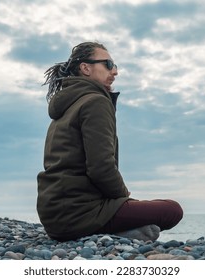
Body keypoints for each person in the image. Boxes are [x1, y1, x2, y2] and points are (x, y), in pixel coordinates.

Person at [37, 41, 183, 242]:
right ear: (86, 68)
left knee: (142, 209)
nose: (114, 71)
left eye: (114, 65)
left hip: (54, 216)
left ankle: (117, 233)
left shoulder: (67, 105)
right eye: (108, 63)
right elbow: (100, 167)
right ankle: (113, 233)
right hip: (79, 214)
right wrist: (124, 196)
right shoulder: (95, 102)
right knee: (172, 210)